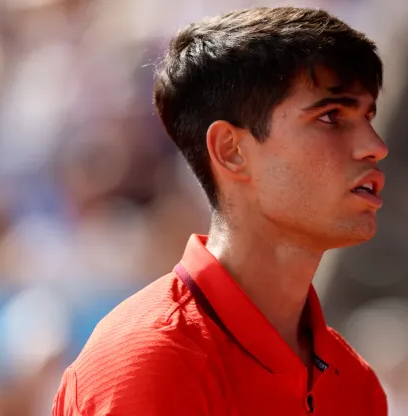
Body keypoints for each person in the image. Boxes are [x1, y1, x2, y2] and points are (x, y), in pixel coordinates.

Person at [52, 6, 389, 415]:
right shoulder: (152, 358)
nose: (374, 145)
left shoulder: (356, 382)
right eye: (331, 116)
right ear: (231, 150)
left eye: (368, 116)